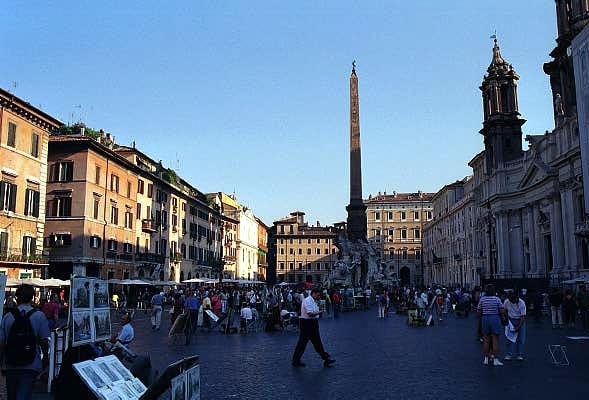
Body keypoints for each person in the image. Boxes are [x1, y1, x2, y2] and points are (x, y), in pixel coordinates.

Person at [0, 285, 50, 400]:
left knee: (11, 396)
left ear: (17, 298)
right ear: (32, 298)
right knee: (24, 395)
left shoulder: (7, 317)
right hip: (31, 363)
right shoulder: (39, 316)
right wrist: (45, 357)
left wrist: (1, 362)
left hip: (10, 363)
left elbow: (2, 342)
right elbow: (44, 340)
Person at [292, 288, 335, 368]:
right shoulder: (308, 301)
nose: (319, 297)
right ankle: (296, 360)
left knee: (315, 342)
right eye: (318, 295)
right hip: (307, 324)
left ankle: (325, 358)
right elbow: (310, 314)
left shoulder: (312, 301)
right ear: (313, 293)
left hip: (312, 323)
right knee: (303, 343)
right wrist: (320, 312)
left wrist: (318, 310)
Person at [477, 284, 506, 366]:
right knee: (495, 340)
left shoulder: (482, 299)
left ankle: (486, 359)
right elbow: (501, 310)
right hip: (495, 318)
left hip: (485, 318)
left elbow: (479, 311)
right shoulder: (497, 299)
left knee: (486, 339)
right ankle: (495, 359)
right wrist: (503, 317)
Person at [503, 291, 526, 361]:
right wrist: (507, 320)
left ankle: (519, 354)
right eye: (510, 299)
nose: (512, 301)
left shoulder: (522, 303)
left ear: (517, 298)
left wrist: (518, 327)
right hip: (511, 320)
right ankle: (509, 354)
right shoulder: (507, 301)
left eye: (513, 299)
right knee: (510, 338)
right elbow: (505, 310)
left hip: (520, 320)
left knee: (521, 338)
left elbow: (523, 316)